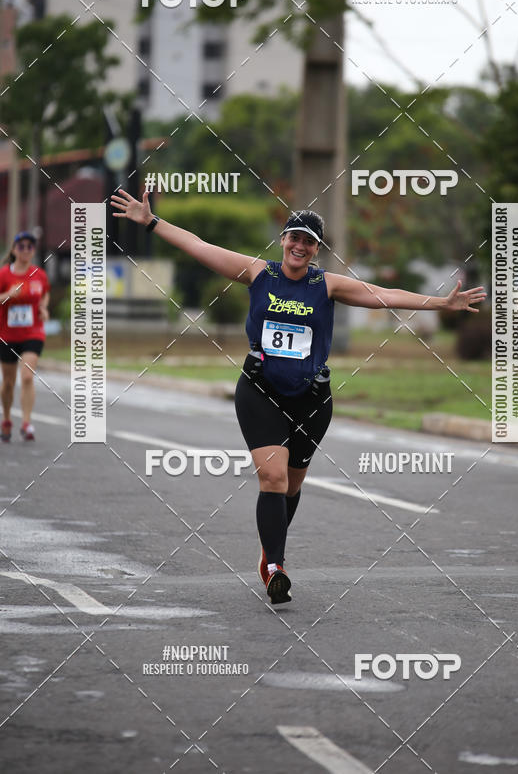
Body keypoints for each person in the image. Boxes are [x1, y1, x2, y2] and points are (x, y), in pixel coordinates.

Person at [111, 189, 486, 605]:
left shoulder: (327, 285)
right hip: (260, 390)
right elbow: (199, 246)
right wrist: (151, 222)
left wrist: (442, 303)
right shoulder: (258, 273)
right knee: (272, 477)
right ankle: (275, 566)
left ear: (317, 249)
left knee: (291, 485)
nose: (300, 246)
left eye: (309, 241)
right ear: (283, 240)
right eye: (295, 237)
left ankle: (269, 551)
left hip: (312, 398)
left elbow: (384, 295)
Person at [0, 232, 50, 442]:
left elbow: (44, 294)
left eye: (30, 246)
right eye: (21, 246)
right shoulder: (4, 275)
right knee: (8, 382)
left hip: (33, 332)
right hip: (7, 335)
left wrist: (43, 308)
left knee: (27, 376)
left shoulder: (39, 275)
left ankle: (27, 423)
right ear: (14, 250)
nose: (26, 250)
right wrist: (7, 295)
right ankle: (7, 418)